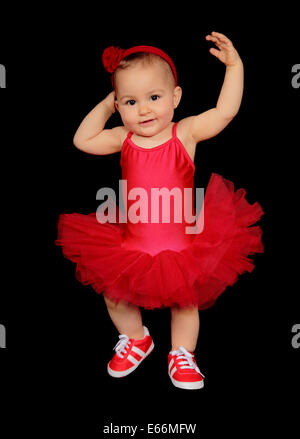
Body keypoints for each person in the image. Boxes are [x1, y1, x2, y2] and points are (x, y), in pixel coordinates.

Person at [55, 32, 264, 390]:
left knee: (185, 301)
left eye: (154, 97)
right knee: (115, 293)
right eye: (131, 102)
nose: (144, 109)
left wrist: (235, 67)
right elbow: (82, 140)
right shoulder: (123, 137)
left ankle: (182, 353)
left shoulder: (185, 134)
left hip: (181, 244)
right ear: (120, 107)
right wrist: (108, 105)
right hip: (132, 241)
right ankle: (136, 338)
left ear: (175, 97)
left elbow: (225, 111)